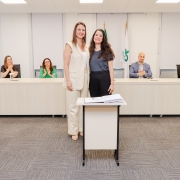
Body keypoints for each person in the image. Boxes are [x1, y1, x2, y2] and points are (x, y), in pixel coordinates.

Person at [62, 22, 89, 141]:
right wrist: (68, 80)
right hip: (73, 79)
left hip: (85, 78)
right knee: (73, 107)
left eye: (83, 30)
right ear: (75, 31)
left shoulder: (87, 46)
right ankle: (73, 130)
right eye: (79, 29)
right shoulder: (69, 45)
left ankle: (81, 128)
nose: (81, 32)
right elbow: (66, 64)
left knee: (83, 106)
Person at [89, 29, 115, 97]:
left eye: (100, 36)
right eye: (96, 35)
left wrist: (112, 84)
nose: (98, 37)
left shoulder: (107, 51)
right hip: (93, 78)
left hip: (104, 78)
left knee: (105, 101)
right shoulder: (89, 50)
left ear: (103, 39)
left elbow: (111, 68)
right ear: (93, 36)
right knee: (94, 101)